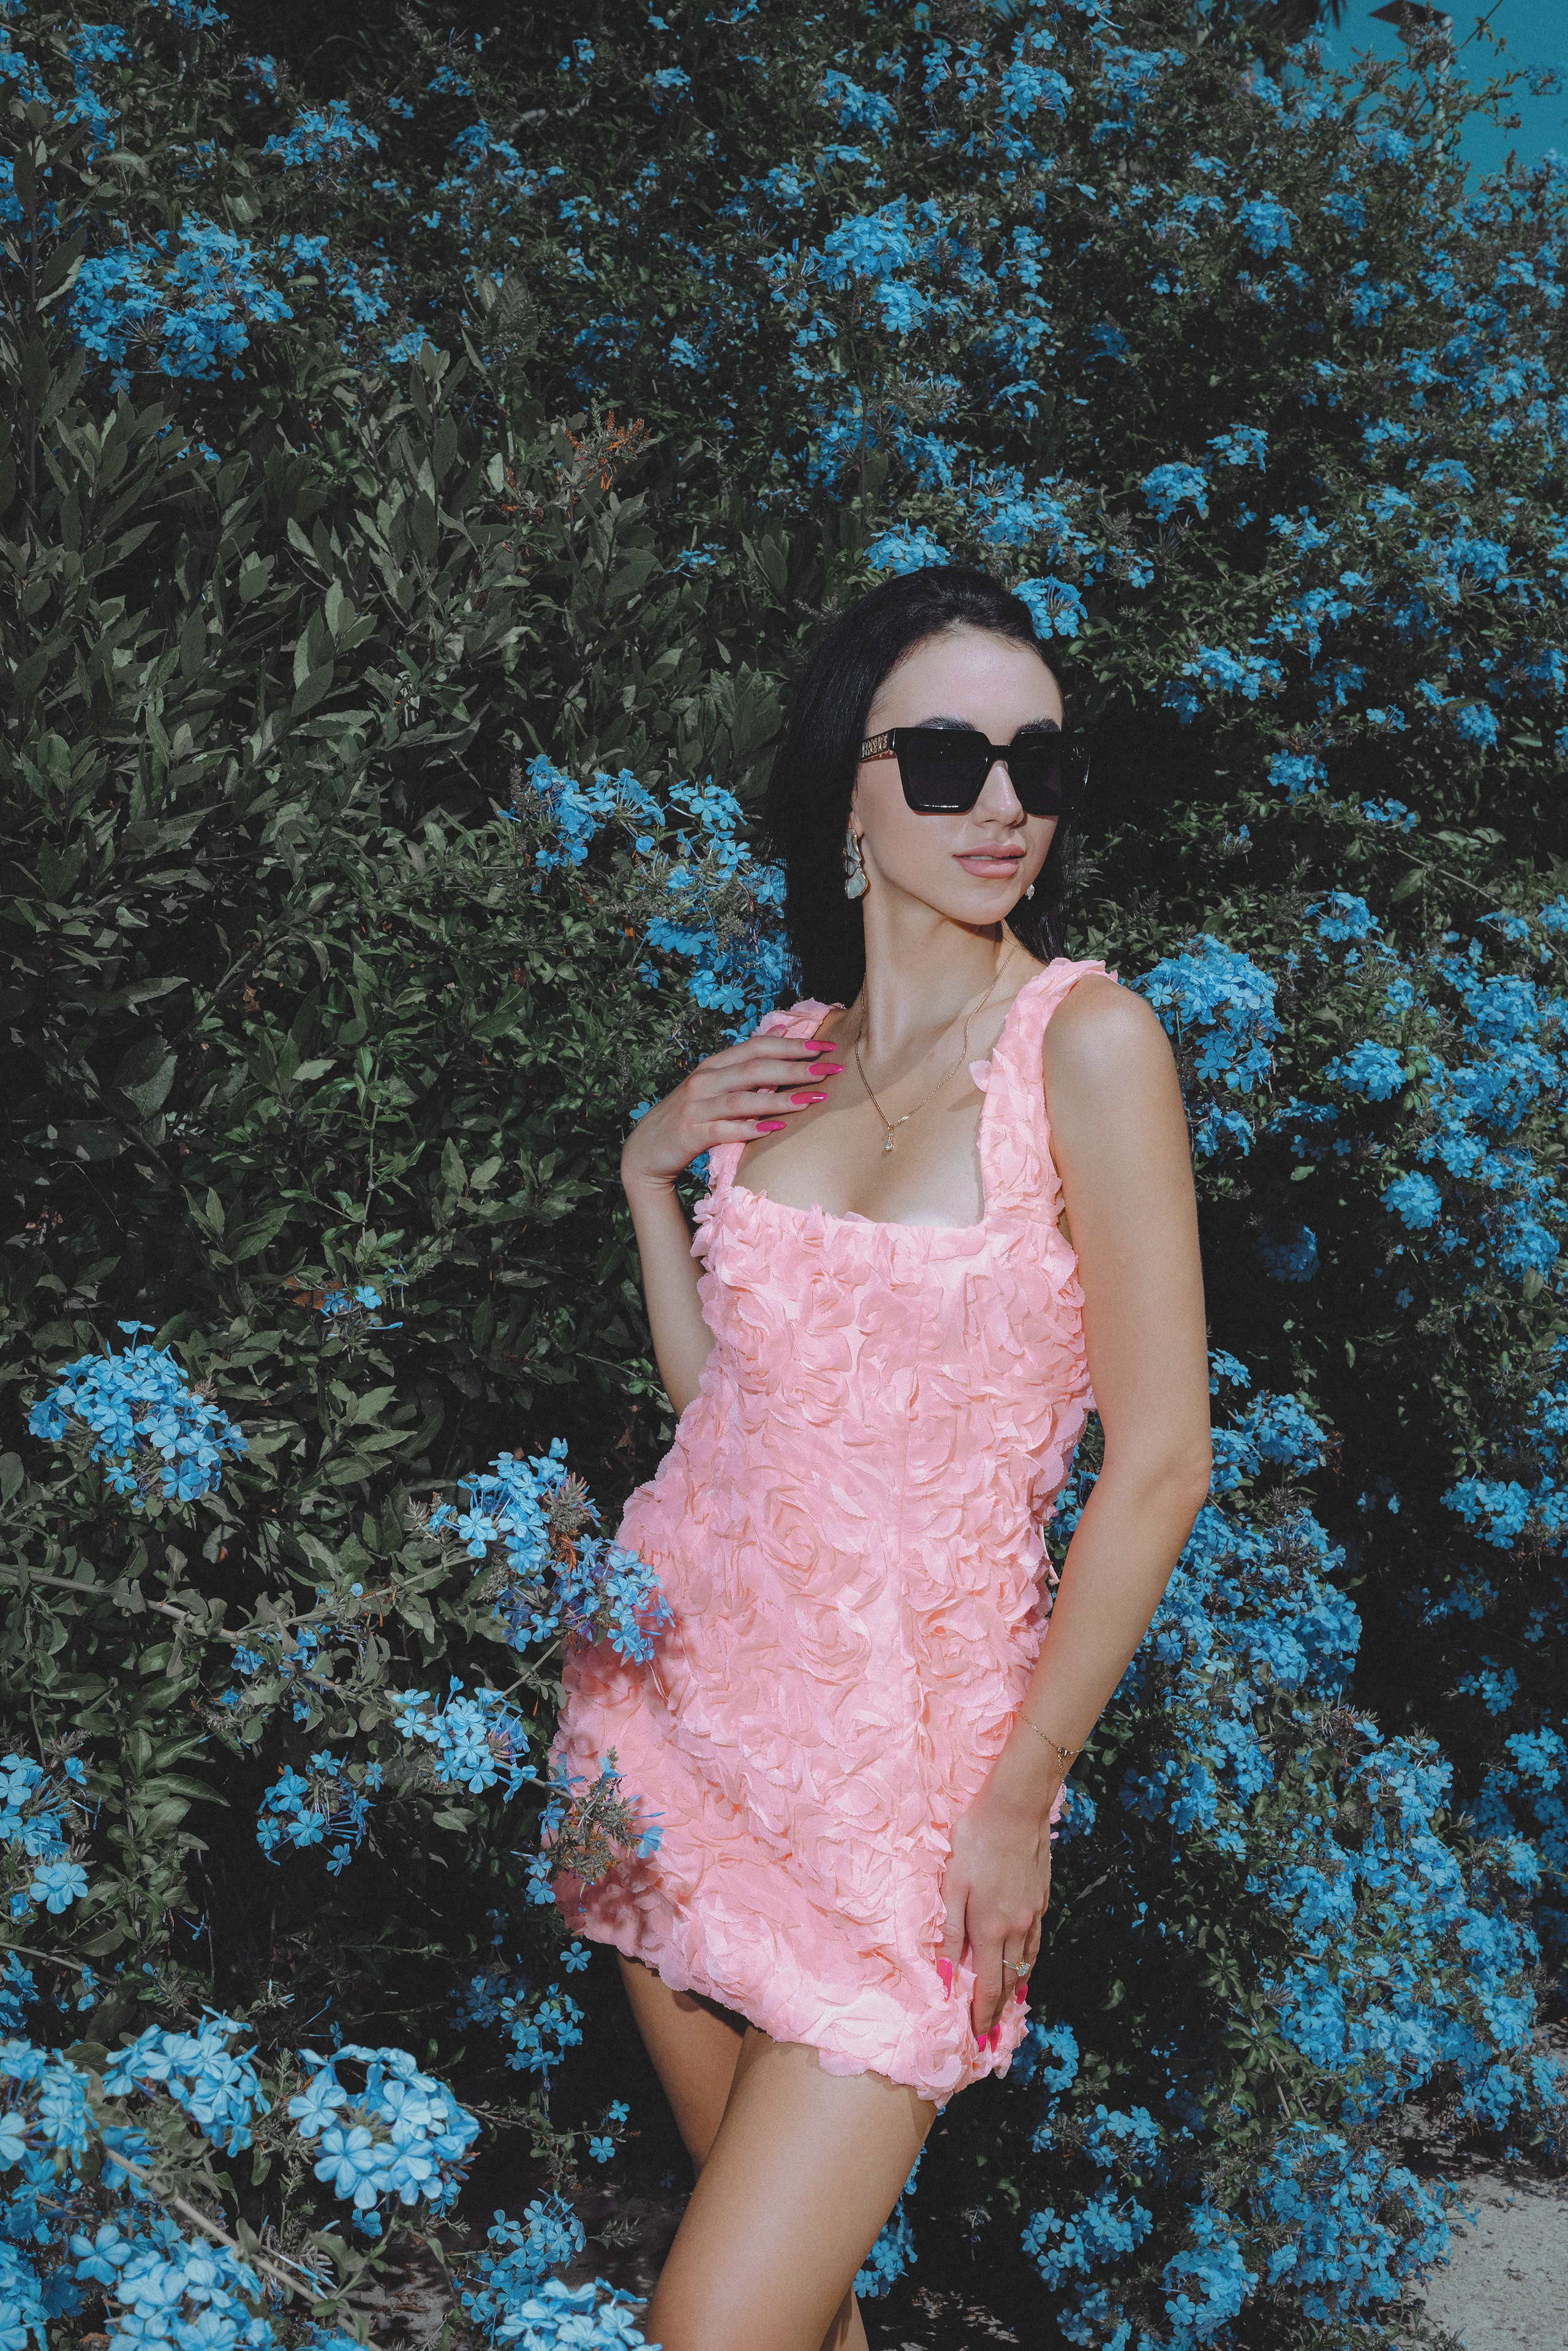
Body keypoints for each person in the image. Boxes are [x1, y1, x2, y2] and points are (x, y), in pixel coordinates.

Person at [553, 565, 1212, 2351]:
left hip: (913, 1805)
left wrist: (1024, 1796)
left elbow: (1161, 1465)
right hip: (671, 1725)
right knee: (797, 2324)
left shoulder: (1089, 1042)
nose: (1002, 806)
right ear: (848, 783)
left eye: (1037, 763)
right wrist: (645, 1182)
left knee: (718, 2325)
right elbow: (732, 1416)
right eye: (944, 759)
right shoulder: (791, 1055)